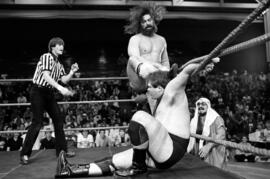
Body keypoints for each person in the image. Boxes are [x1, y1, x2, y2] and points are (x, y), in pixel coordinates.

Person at [55, 55, 219, 177]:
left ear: (161, 87)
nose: (147, 90)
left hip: (172, 147)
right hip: (159, 149)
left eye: (150, 87)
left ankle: (139, 167)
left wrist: (203, 65)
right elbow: (134, 61)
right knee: (115, 161)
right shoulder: (157, 100)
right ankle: (70, 170)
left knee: (140, 116)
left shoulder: (172, 90)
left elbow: (187, 71)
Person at [20, 37, 79, 165]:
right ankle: (24, 154)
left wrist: (72, 72)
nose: (62, 46)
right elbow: (46, 76)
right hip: (38, 92)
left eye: (63, 44)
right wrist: (60, 89)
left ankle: (62, 151)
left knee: (58, 120)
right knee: (37, 122)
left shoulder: (58, 64)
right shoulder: (46, 57)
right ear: (52, 47)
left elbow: (63, 80)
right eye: (59, 44)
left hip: (49, 93)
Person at [125, 3, 177, 113]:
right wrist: (155, 67)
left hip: (158, 78)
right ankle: (154, 81)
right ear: (140, 24)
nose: (147, 23)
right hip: (140, 80)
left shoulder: (162, 40)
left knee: (167, 69)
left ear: (154, 21)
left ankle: (164, 79)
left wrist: (165, 71)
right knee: (132, 60)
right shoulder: (135, 39)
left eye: (149, 20)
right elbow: (134, 56)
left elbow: (165, 61)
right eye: (143, 22)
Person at [187, 97, 227, 169]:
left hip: (212, 153)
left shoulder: (216, 118)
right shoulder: (194, 120)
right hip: (197, 153)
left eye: (203, 104)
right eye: (198, 104)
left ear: (208, 106)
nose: (200, 106)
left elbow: (222, 135)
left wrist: (209, 146)